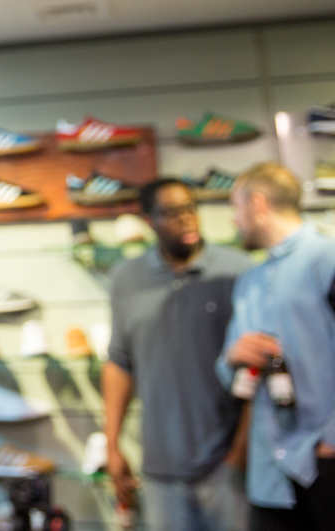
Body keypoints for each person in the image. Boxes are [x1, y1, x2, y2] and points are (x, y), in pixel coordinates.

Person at [103, 177, 251, 531]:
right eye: (171, 212)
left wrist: (239, 454)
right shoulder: (126, 278)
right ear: (148, 220)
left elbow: (256, 371)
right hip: (160, 467)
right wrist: (112, 444)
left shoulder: (238, 271)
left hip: (226, 464)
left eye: (190, 208)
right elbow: (120, 362)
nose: (185, 218)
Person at [216, 163, 335, 531]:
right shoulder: (249, 281)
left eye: (236, 207)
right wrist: (233, 356)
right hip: (269, 473)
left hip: (325, 464)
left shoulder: (327, 259)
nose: (234, 220)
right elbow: (226, 372)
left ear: (257, 203)